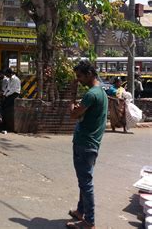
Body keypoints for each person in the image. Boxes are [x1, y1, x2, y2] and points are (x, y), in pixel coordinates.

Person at [66, 60, 108, 229]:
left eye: (80, 76)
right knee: (84, 180)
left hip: (85, 143)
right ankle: (80, 211)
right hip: (92, 143)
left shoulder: (91, 94)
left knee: (85, 183)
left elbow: (73, 115)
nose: (79, 80)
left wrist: (72, 96)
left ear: (89, 74)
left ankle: (89, 221)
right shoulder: (101, 92)